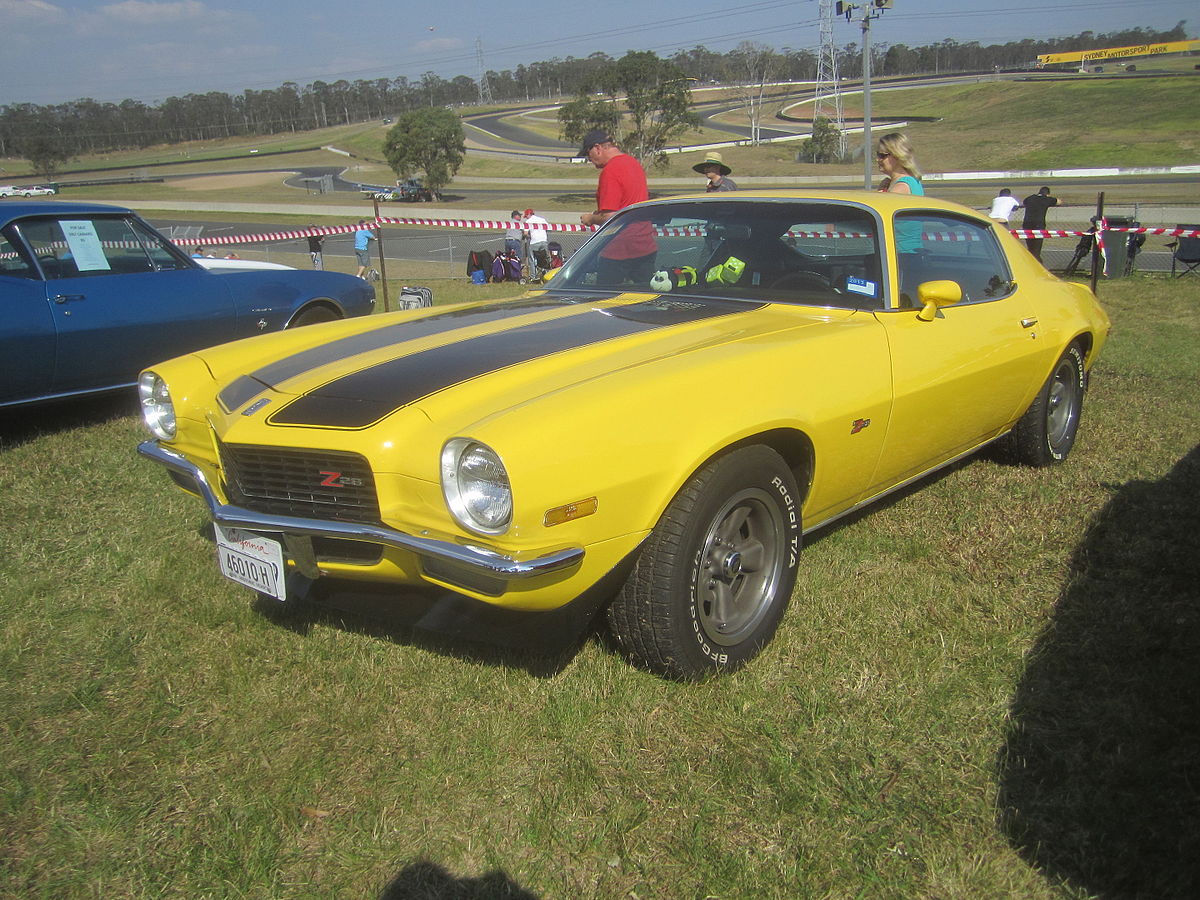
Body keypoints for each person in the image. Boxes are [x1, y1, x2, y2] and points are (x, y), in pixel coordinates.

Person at [578, 129, 656, 285]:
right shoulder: (633, 163)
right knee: (645, 294)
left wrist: (590, 218)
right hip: (645, 244)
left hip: (619, 249)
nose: (589, 159)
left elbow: (611, 216)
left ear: (598, 148)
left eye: (588, 154)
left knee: (605, 297)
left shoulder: (611, 171)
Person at [1021, 186, 1058, 261]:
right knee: (1036, 249)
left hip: (1027, 224)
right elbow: (1058, 201)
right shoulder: (1047, 199)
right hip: (1038, 225)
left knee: (1030, 247)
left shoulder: (1030, 198)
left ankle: (1032, 261)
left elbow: (1024, 202)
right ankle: (1037, 264)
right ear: (1047, 194)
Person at [523, 207, 551, 275]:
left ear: (528, 215)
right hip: (544, 241)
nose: (526, 218)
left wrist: (529, 236)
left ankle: (533, 275)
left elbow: (525, 233)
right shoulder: (542, 219)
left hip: (534, 242)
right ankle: (545, 273)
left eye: (526, 216)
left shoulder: (528, 221)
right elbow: (548, 228)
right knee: (544, 258)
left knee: (532, 259)